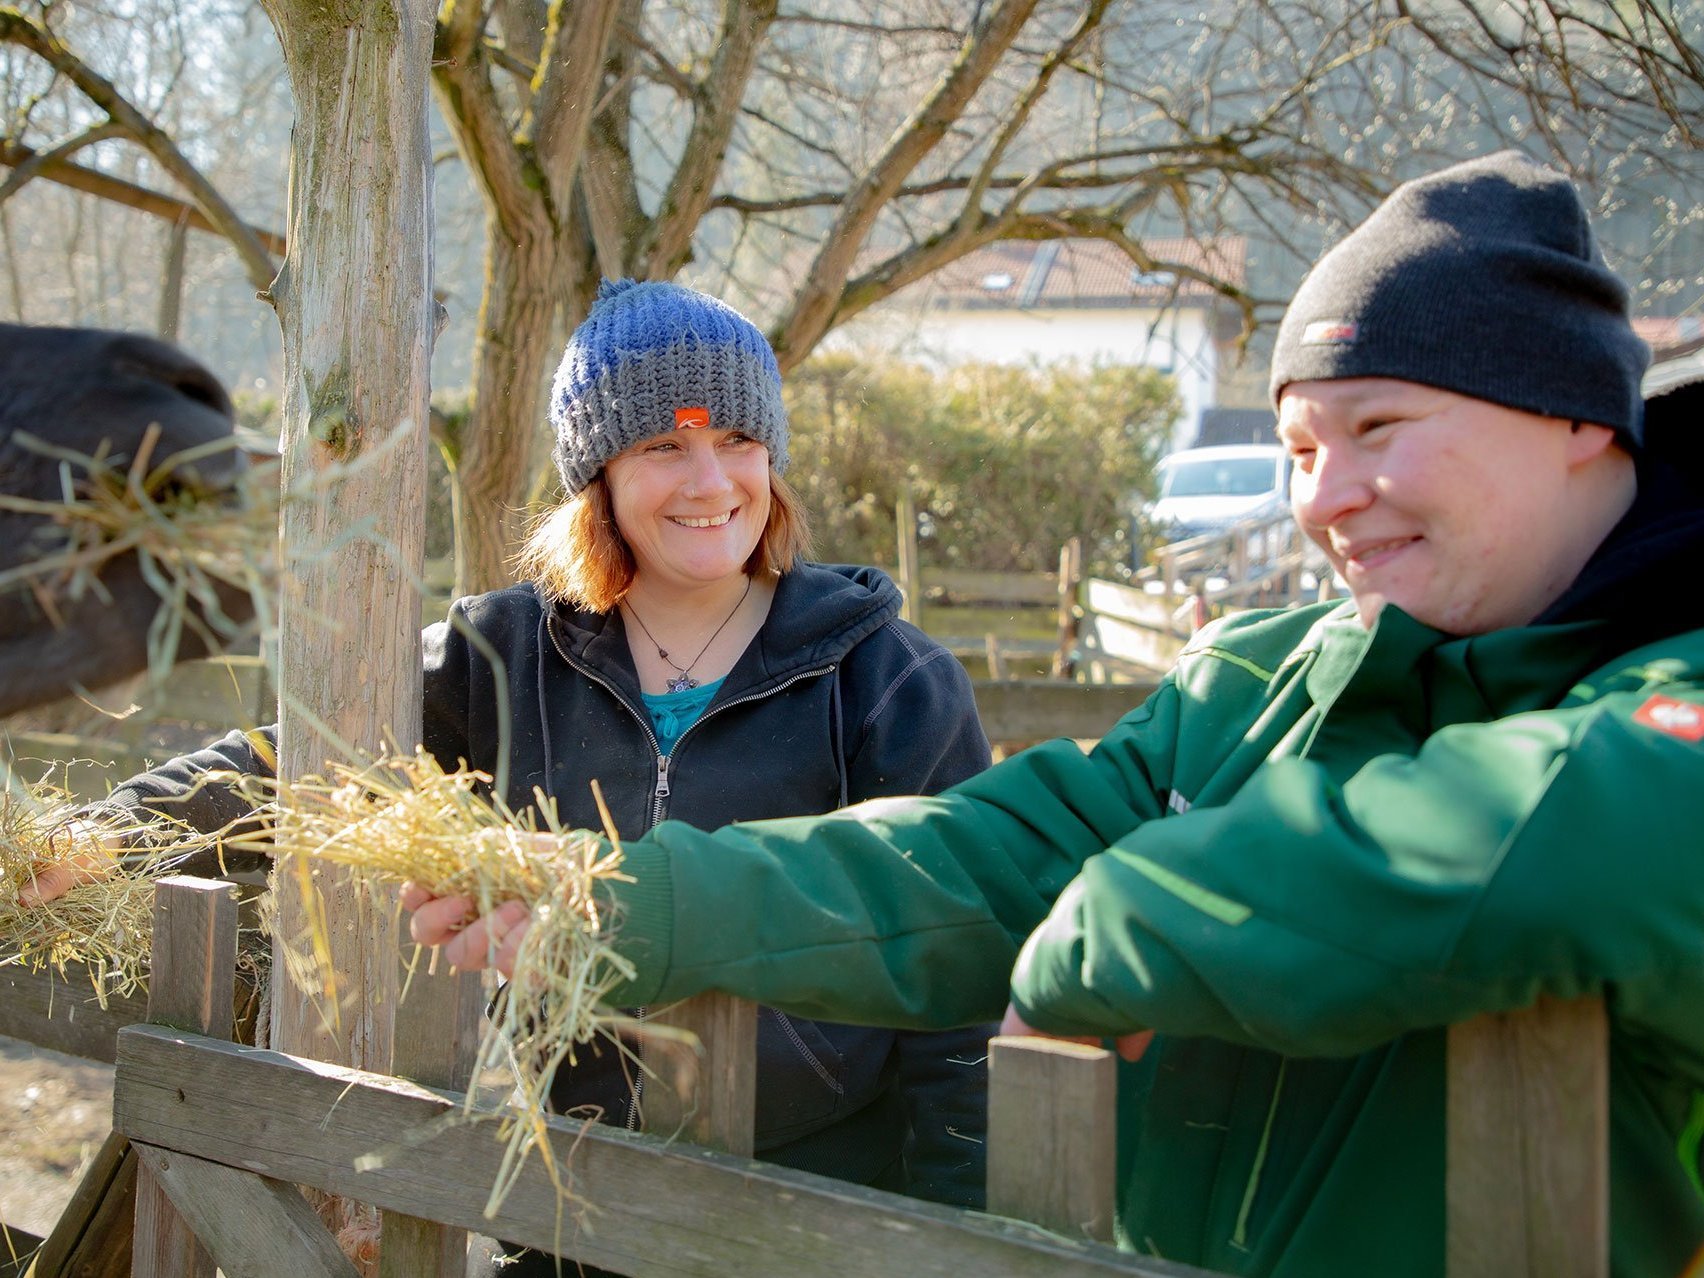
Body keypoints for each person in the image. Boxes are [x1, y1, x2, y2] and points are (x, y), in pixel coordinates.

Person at [407, 152, 1704, 1277]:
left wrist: (1130, 915)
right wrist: (628, 899)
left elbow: (1568, 831)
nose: (1326, 497)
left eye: (1378, 425)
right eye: (1301, 447)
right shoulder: (1256, 684)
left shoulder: (1668, 692)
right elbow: (978, 856)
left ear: (1574, 416)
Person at [21, 281, 996, 1263]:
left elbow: (960, 979)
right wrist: (111, 835)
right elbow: (309, 758)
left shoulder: (883, 678)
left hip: (816, 1218)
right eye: (664, 446)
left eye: (738, 440)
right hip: (569, 1209)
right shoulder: (508, 654)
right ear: (598, 475)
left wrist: (960, 1240)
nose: (711, 482)